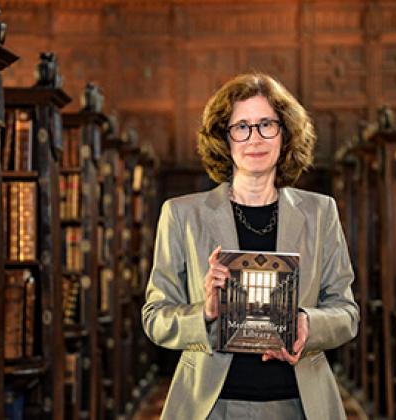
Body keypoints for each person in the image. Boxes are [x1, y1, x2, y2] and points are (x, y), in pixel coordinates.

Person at [141, 73, 359, 420]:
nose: (254, 138)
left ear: (285, 133)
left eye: (266, 125)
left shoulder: (321, 212)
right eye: (240, 126)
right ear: (223, 139)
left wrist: (307, 323)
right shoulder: (182, 215)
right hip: (212, 407)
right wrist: (206, 312)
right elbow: (154, 319)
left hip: (300, 405)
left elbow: (347, 314)